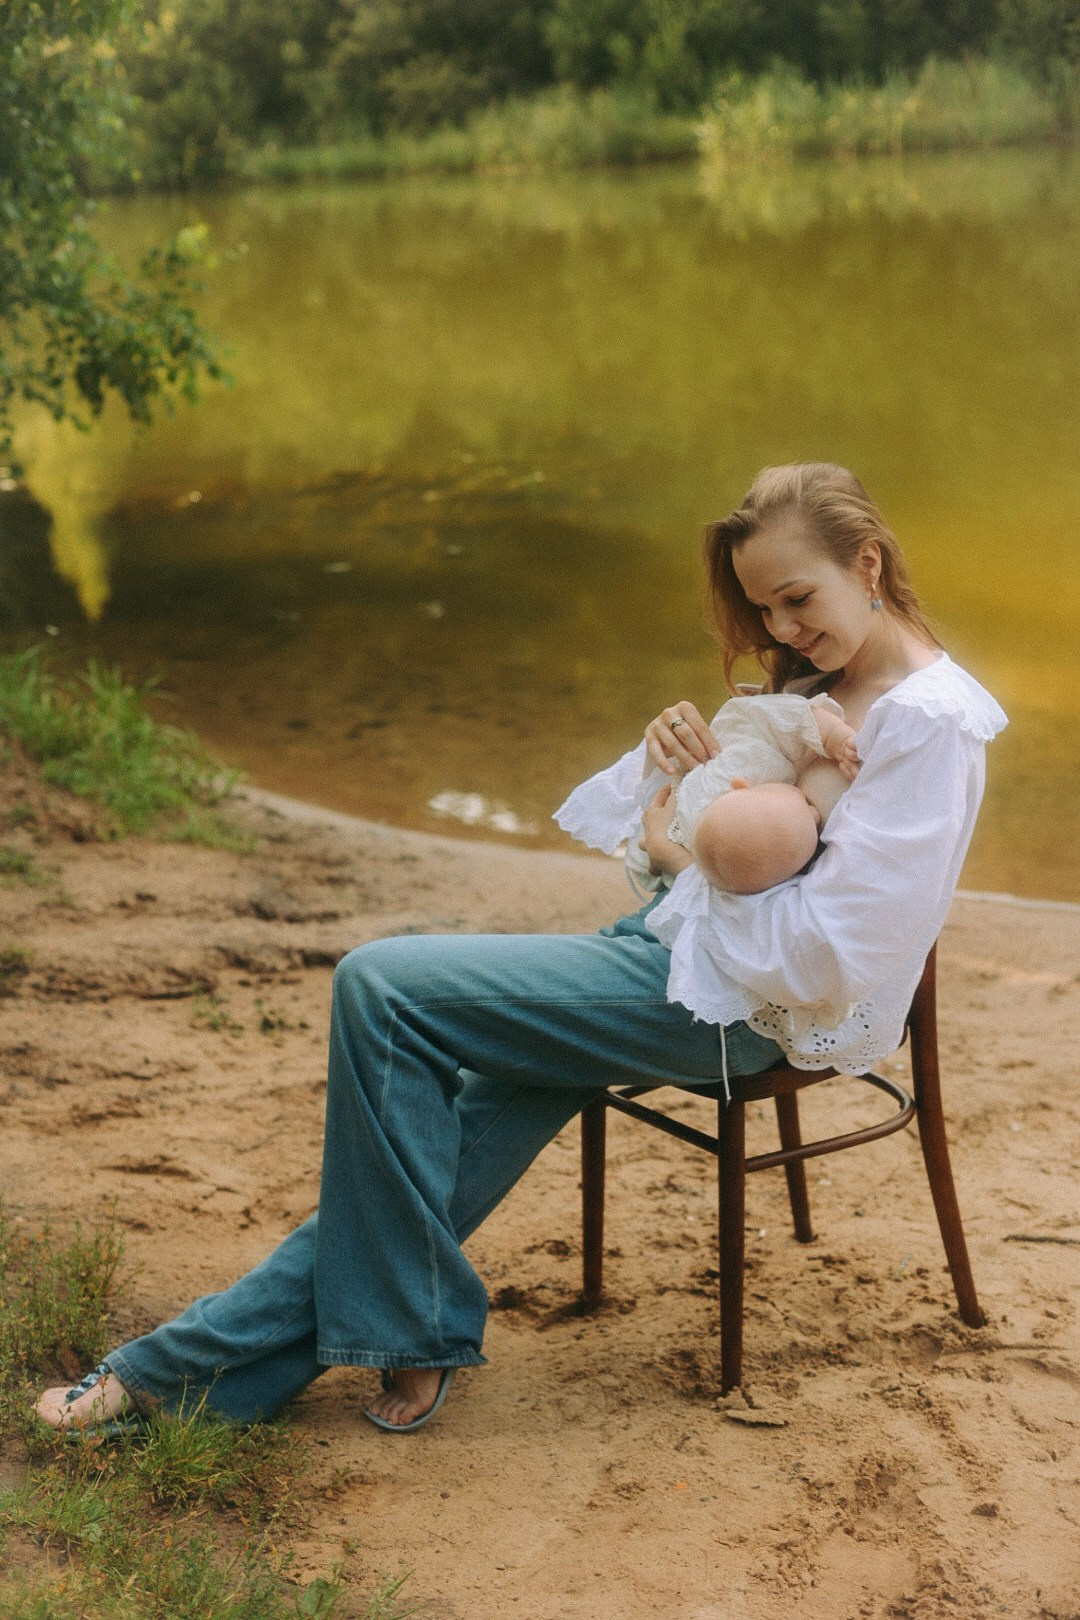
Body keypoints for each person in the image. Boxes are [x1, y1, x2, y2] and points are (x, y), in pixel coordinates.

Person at [34, 462, 1007, 1437]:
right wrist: (686, 775)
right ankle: (227, 1374)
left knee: (382, 990)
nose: (783, 631)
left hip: (741, 1011)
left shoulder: (929, 727)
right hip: (684, 955)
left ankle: (202, 1364)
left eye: (798, 600)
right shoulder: (828, 677)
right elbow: (723, 825)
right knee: (455, 1114)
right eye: (766, 610)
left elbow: (828, 956)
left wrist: (683, 848)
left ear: (868, 562)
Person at [615, 690, 860, 898]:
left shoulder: (724, 839)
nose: (815, 814)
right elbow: (785, 716)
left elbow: (647, 861)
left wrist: (670, 856)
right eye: (806, 802)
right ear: (741, 784)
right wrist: (836, 739)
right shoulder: (751, 758)